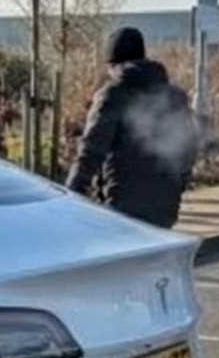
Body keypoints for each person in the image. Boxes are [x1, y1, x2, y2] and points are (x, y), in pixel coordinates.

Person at [64, 26, 195, 227]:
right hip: (165, 209)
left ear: (113, 63)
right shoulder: (175, 97)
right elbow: (187, 149)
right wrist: (177, 187)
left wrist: (70, 197)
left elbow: (91, 151)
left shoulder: (113, 95)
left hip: (121, 207)